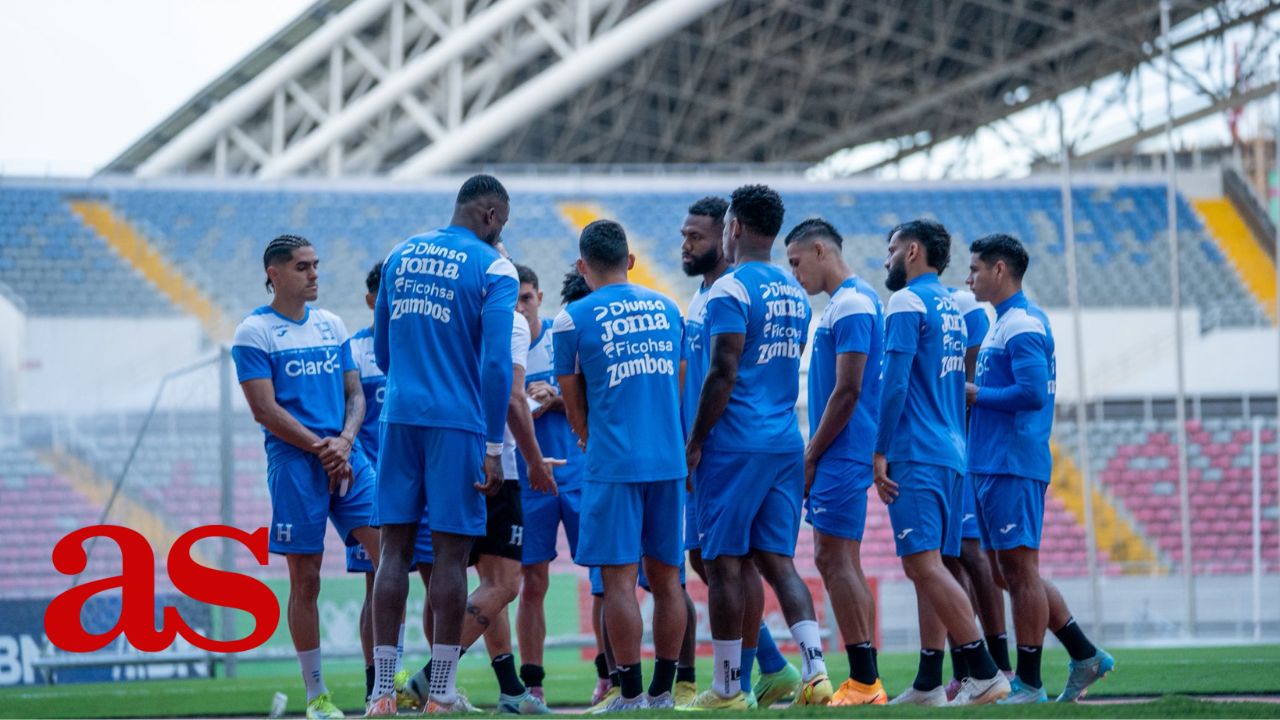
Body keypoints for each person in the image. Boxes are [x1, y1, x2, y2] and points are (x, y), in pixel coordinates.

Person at [365, 175, 521, 716]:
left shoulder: (399, 255)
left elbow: (383, 349)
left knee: (394, 551)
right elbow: (498, 363)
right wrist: (494, 446)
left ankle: (382, 693)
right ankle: (440, 694)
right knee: (452, 556)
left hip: (399, 417)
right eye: (502, 222)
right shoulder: (495, 267)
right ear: (490, 215)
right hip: (457, 423)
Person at [685, 184, 831, 710]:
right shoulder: (794, 292)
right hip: (783, 443)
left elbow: (724, 370)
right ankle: (815, 674)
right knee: (777, 561)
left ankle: (727, 689)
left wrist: (696, 441)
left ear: (736, 228)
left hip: (734, 444)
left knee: (723, 564)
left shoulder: (729, 289)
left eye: (724, 224)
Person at [232, 234, 379, 720]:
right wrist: (322, 448)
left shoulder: (330, 324)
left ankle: (386, 679)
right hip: (297, 462)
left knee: (390, 554)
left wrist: (345, 442)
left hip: (345, 454)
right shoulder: (254, 332)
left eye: (316, 265)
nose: (314, 274)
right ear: (274, 273)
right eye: (302, 266)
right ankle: (317, 696)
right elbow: (264, 409)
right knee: (307, 579)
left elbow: (354, 396)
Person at [964, 233, 1114, 704]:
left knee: (1021, 572)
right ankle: (1085, 655)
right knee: (1008, 574)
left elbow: (1032, 393)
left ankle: (1029, 682)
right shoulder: (1000, 323)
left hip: (1013, 460)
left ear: (1000, 269)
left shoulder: (1023, 323)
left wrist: (976, 395)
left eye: (975, 269)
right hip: (990, 461)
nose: (969, 277)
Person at [873, 219, 1009, 707]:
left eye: (891, 250)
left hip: (917, 450)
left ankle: (985, 670)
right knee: (933, 567)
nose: (886, 259)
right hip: (953, 451)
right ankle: (931, 680)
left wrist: (880, 449)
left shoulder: (906, 302)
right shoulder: (954, 307)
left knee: (923, 564)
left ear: (912, 251)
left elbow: (894, 384)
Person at [553, 219, 687, 711]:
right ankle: (664, 692)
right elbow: (678, 385)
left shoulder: (572, 320)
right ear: (630, 261)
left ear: (581, 266)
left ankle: (629, 694)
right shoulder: (670, 308)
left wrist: (592, 438)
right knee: (669, 580)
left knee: (618, 583)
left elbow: (572, 404)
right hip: (668, 460)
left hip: (613, 463)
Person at [784, 218, 887, 706]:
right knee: (842, 559)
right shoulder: (843, 304)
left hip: (842, 450)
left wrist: (811, 455)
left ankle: (866, 682)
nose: (795, 274)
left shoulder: (851, 303)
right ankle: (865, 677)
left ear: (820, 250)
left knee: (832, 557)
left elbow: (848, 390)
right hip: (844, 449)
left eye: (796, 262)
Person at [512, 264, 587, 704]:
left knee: (601, 576)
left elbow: (595, 396)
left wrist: (556, 399)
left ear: (540, 297)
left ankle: (610, 678)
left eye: (527, 298)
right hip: (528, 477)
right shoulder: (505, 350)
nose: (520, 307)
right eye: (514, 301)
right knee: (531, 582)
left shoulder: (563, 338)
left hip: (576, 469)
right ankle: (533, 685)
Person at [941, 284, 1013, 699]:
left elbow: (973, 376)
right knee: (947, 557)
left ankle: (999, 663)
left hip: (964, 447)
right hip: (945, 447)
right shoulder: (919, 305)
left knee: (970, 553)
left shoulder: (963, 305)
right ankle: (966, 668)